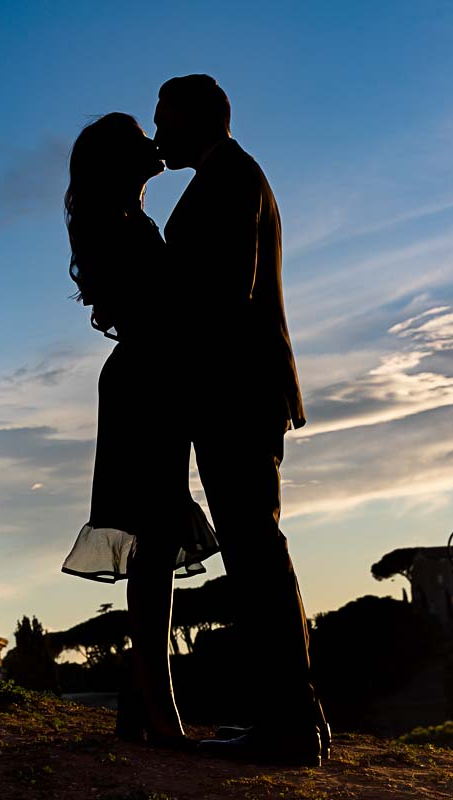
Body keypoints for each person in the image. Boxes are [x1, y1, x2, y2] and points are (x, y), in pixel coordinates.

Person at [153, 74, 328, 766]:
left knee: (256, 556)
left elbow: (225, 294)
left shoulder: (230, 180)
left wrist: (162, 330)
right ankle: (297, 718)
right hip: (240, 388)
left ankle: (288, 725)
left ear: (200, 120)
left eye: (165, 120)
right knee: (258, 553)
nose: (157, 133)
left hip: (235, 391)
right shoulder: (232, 175)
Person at [59, 112, 220, 751]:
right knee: (153, 546)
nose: (155, 144)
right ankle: (158, 710)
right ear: (122, 163)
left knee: (154, 545)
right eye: (140, 140)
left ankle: (142, 705)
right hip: (146, 381)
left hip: (145, 378)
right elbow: (164, 307)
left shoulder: (124, 223)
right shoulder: (123, 228)